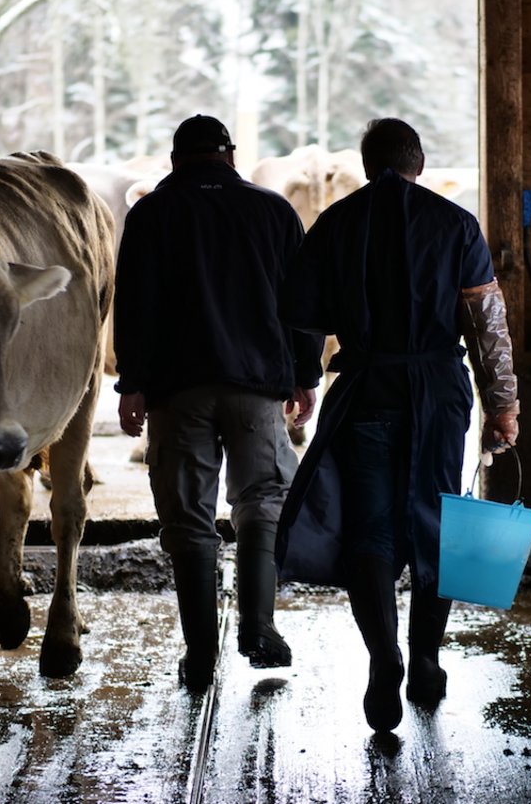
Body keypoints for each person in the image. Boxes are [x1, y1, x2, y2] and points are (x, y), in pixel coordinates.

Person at [276, 117, 519, 733]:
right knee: (439, 524)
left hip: (364, 389)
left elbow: (301, 316)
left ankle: (383, 656)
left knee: (372, 530)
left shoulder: (336, 223)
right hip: (438, 394)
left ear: (365, 165)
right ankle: (427, 662)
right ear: (419, 161)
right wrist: (503, 403)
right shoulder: (456, 224)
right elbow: (486, 323)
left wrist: (305, 377)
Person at [113, 114, 323, 691]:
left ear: (177, 159)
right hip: (256, 386)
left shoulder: (151, 213)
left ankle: (201, 654)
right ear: (230, 155)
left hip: (178, 391)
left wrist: (132, 383)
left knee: (188, 520)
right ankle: (259, 628)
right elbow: (300, 302)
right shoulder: (273, 211)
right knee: (263, 500)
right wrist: (306, 374)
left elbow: (134, 306)